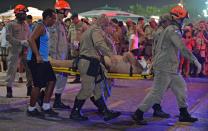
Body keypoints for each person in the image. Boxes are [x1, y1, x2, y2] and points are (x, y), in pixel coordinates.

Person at [132, 6, 202, 125]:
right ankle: (138, 113)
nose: (183, 21)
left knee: (181, 88)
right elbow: (182, 47)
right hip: (165, 66)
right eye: (182, 19)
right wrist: (194, 60)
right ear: (177, 18)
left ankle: (184, 113)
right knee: (156, 92)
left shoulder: (169, 29)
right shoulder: (172, 30)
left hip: (169, 67)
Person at [69, 14, 121, 121]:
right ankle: (75, 112)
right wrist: (111, 55)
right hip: (89, 62)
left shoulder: (89, 30)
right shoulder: (95, 30)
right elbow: (99, 44)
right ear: (103, 23)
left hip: (91, 62)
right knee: (87, 89)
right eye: (106, 24)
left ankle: (105, 112)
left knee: (97, 90)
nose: (106, 26)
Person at [26, 9, 58, 117]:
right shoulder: (40, 26)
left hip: (44, 60)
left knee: (52, 80)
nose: (55, 20)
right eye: (54, 18)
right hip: (36, 60)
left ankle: (46, 106)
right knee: (38, 85)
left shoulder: (45, 27)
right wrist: (37, 55)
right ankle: (31, 109)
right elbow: (30, 39)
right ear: (48, 18)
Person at [5, 4, 33, 97]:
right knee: (11, 69)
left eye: (25, 13)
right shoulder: (11, 24)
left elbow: (29, 36)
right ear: (18, 13)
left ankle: (29, 88)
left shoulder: (26, 25)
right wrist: (21, 42)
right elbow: (8, 37)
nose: (25, 15)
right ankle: (9, 89)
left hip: (25, 50)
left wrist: (28, 43)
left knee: (29, 69)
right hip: (14, 49)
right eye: (23, 13)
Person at [48, 0, 71, 109]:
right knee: (52, 80)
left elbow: (63, 42)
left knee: (61, 79)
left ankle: (57, 101)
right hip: (56, 58)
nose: (67, 13)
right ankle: (43, 99)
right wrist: (53, 58)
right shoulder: (54, 24)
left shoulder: (62, 24)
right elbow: (52, 43)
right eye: (66, 10)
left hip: (62, 57)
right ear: (61, 10)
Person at [68, 12, 88, 84]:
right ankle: (77, 77)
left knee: (82, 63)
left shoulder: (84, 25)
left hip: (81, 48)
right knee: (75, 63)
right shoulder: (71, 26)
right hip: (73, 48)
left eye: (73, 19)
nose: (72, 21)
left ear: (76, 18)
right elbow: (69, 36)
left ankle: (84, 78)